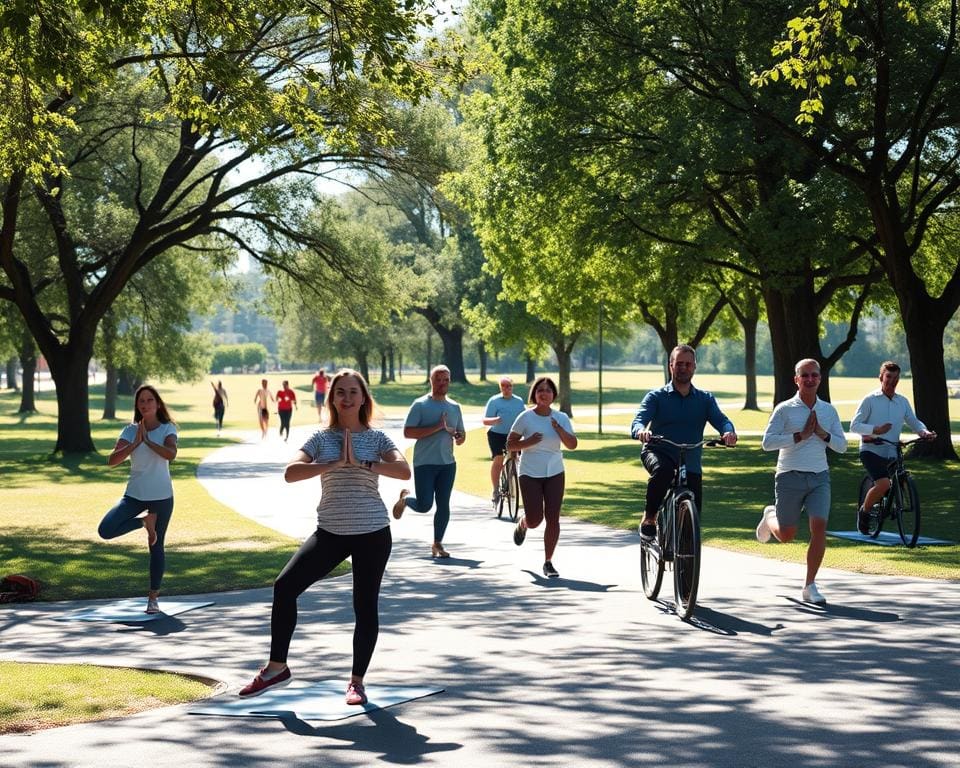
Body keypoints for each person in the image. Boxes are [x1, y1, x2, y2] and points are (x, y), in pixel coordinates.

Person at [239, 369, 411, 705]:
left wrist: (364, 463)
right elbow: (290, 473)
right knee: (285, 586)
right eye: (340, 392)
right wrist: (331, 464)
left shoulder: (377, 440)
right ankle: (277, 667)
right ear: (332, 398)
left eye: (353, 392)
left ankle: (356, 682)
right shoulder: (321, 439)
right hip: (330, 531)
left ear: (364, 398)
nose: (346, 397)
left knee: (364, 606)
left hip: (372, 532)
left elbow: (404, 470)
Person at [757, 358, 847, 606]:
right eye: (804, 375)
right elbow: (767, 442)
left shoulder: (828, 411)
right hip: (789, 476)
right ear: (796, 380)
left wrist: (822, 434)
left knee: (819, 527)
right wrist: (800, 436)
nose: (810, 379)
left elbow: (842, 446)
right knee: (786, 535)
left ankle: (810, 585)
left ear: (820, 379)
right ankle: (769, 516)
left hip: (820, 477)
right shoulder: (785, 409)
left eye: (814, 375)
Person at [630, 345, 737, 543]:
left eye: (688, 364)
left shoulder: (705, 399)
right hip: (658, 451)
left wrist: (728, 432)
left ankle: (687, 559)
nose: (683, 368)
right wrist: (641, 431)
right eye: (679, 364)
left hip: (690, 459)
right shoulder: (656, 396)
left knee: (693, 516)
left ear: (694, 367)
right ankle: (650, 518)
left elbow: (721, 420)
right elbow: (638, 421)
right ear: (671, 366)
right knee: (663, 471)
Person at [98, 385, 179, 615]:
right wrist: (135, 442)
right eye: (141, 401)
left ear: (158, 404)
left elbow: (171, 454)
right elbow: (112, 461)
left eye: (149, 400)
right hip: (134, 495)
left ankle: (153, 599)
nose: (145, 405)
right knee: (106, 529)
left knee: (156, 547)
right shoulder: (129, 430)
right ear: (137, 405)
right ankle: (145, 522)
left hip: (161, 496)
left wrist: (148, 442)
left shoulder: (167, 429)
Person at [850, 361, 936, 534]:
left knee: (898, 480)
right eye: (888, 377)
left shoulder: (902, 402)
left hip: (892, 451)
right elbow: (854, 425)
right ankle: (864, 511)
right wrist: (875, 430)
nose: (892, 381)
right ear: (881, 377)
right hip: (871, 450)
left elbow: (913, 421)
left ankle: (894, 504)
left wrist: (924, 432)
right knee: (883, 484)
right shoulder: (870, 400)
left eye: (896, 378)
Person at [393, 365, 465, 558]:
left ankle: (437, 543)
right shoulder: (420, 405)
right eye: (438, 379)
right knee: (425, 505)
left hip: (447, 464)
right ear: (431, 380)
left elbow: (461, 435)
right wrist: (437, 427)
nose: (442, 383)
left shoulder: (455, 407)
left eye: (446, 380)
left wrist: (458, 437)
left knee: (444, 504)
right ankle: (406, 500)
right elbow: (408, 432)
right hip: (424, 463)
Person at [508, 377, 577, 578]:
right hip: (529, 472)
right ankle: (524, 523)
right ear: (534, 395)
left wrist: (560, 430)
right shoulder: (525, 417)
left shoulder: (561, 418)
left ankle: (548, 562)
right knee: (536, 519)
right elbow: (510, 445)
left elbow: (572, 444)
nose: (544, 394)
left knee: (553, 517)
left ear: (553, 395)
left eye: (548, 390)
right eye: (540, 391)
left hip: (555, 471)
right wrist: (527, 442)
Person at [482, 376, 527, 507]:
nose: (506, 389)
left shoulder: (518, 401)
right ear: (500, 387)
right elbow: (485, 420)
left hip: (513, 436)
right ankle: (496, 490)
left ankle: (512, 485)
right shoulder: (494, 401)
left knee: (515, 459)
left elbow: (524, 418)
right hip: (496, 434)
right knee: (498, 459)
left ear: (512, 387)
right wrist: (494, 420)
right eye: (503, 386)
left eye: (509, 386)